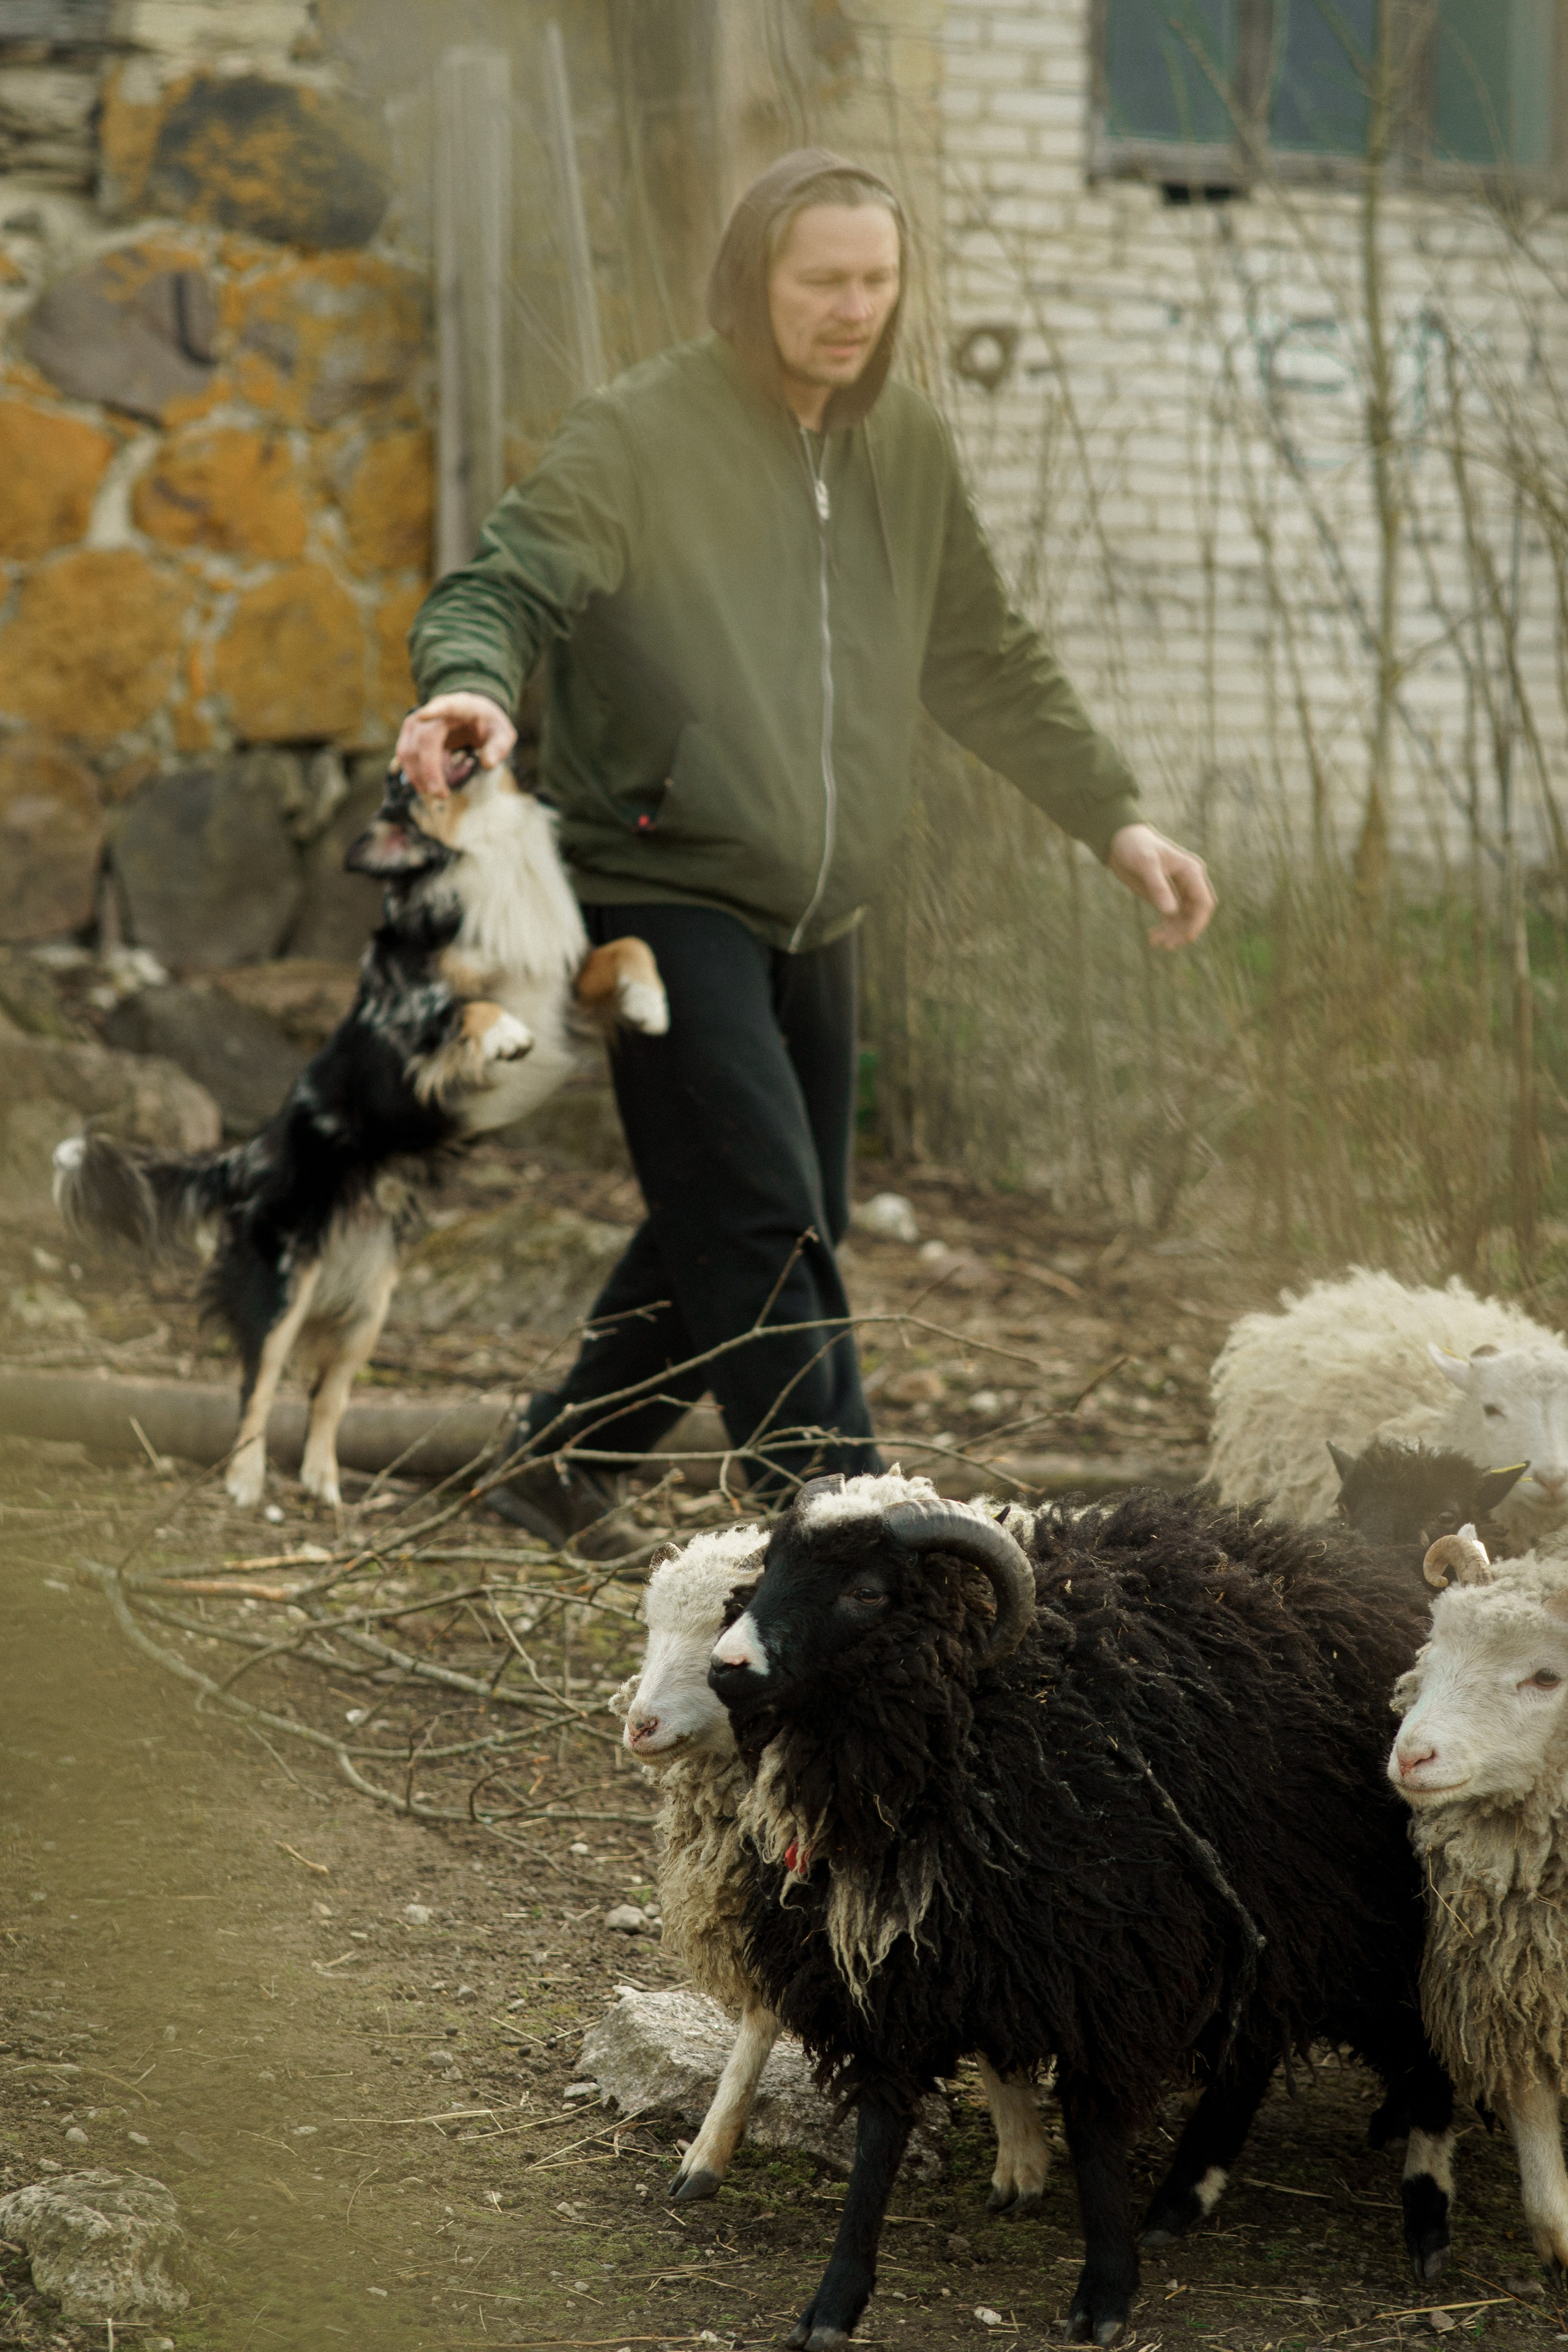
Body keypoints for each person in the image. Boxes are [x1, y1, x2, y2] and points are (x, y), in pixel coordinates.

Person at [396, 148, 1215, 1545]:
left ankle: (555, 1469)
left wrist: (1112, 816)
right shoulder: (643, 433)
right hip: (661, 881)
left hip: (821, 901)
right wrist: (467, 681)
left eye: (876, 281)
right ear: (751, 283)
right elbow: (510, 577)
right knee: (765, 1218)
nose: (852, 308)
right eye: (821, 280)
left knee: (763, 1204)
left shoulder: (902, 445)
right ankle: (852, 1538)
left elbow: (982, 654)